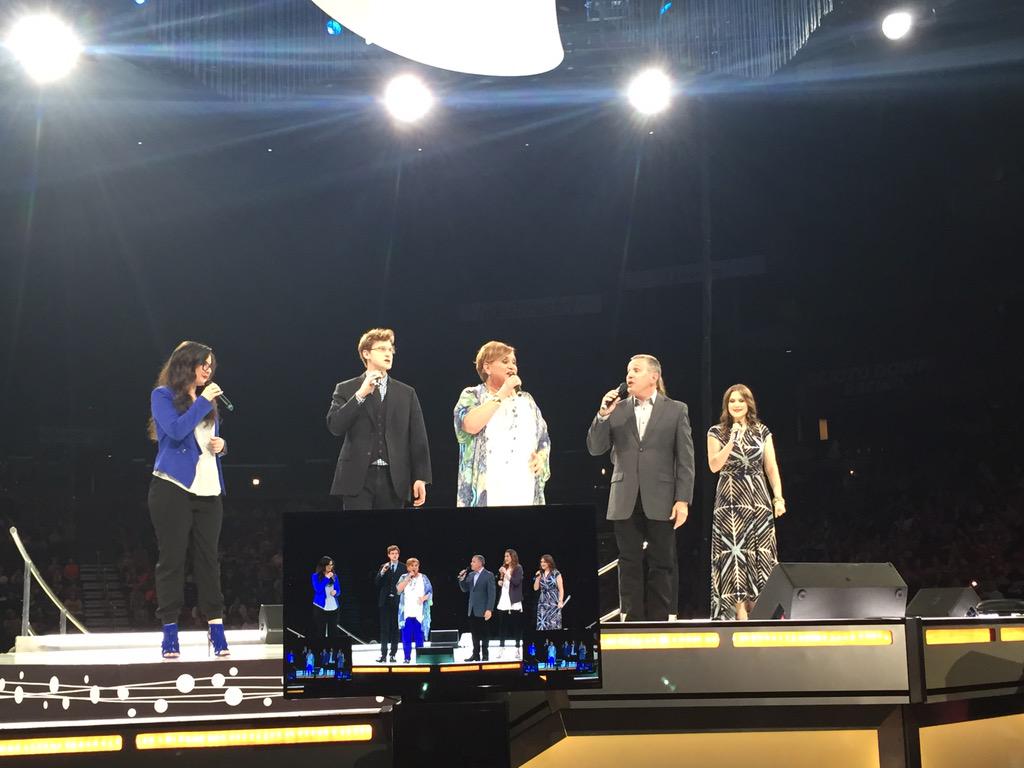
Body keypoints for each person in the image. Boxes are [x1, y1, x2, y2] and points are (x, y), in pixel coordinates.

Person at [586, 354, 695, 622]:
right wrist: (602, 415)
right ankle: (631, 620)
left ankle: (660, 621)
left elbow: (685, 459)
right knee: (628, 561)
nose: (629, 376)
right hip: (625, 495)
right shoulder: (618, 409)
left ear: (654, 376)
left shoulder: (676, 410)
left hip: (662, 495)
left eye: (636, 370)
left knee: (662, 561)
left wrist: (682, 500)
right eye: (628, 371)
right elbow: (595, 448)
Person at [147, 341, 230, 658]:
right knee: (172, 559)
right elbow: (176, 430)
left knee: (209, 560)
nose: (208, 370)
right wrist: (202, 402)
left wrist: (222, 446)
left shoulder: (207, 401)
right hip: (173, 487)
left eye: (211, 366)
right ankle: (170, 630)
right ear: (186, 364)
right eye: (203, 364)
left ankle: (216, 628)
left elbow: (207, 439)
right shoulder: (163, 396)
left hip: (209, 489)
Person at [327, 328, 432, 509]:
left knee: (391, 529)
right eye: (382, 349)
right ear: (366, 354)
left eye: (390, 349)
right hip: (357, 477)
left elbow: (418, 438)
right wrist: (361, 394)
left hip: (394, 478)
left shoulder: (406, 393)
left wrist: (421, 477)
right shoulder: (346, 388)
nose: (388, 354)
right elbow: (335, 426)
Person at [707, 384, 786, 620]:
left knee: (761, 551)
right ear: (726, 405)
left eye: (741, 400)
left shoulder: (762, 431)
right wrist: (732, 440)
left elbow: (771, 467)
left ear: (749, 404)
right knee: (735, 553)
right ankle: (739, 613)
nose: (736, 404)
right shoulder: (716, 432)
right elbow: (714, 466)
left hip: (757, 497)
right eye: (732, 401)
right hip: (730, 499)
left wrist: (778, 497)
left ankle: (763, 610)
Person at [454, 341, 550, 506]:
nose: (512, 366)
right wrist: (503, 391)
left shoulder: (527, 401)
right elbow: (470, 425)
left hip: (524, 491)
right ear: (487, 367)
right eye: (505, 361)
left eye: (514, 362)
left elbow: (543, 440)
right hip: (489, 494)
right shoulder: (473, 395)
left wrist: (540, 459)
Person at [458, 554, 496, 661]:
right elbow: (465, 589)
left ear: (480, 563)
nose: (471, 563)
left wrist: (489, 609)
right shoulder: (471, 575)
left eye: (473, 561)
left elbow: (492, 594)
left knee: (484, 634)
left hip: (483, 609)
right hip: (472, 609)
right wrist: (461, 579)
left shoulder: (488, 575)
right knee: (474, 634)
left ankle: (485, 655)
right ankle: (475, 654)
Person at [396, 558, 433, 663]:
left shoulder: (423, 577)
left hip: (419, 613)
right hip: (406, 613)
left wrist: (423, 598)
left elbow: (430, 592)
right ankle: (407, 658)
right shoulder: (403, 577)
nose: (414, 568)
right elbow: (398, 590)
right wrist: (408, 578)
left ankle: (420, 658)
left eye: (416, 565)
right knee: (406, 638)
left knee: (419, 637)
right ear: (408, 567)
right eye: (412, 566)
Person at [374, 544, 403, 662]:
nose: (394, 555)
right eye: (392, 554)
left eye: (396, 553)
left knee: (395, 628)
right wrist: (382, 572)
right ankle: (383, 654)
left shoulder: (403, 567)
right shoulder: (384, 566)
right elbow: (377, 582)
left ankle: (393, 654)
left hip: (397, 601)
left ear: (398, 555)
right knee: (384, 629)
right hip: (385, 601)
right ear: (388, 555)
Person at [496, 548, 524, 659]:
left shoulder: (518, 568)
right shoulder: (505, 568)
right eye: (505, 556)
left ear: (513, 557)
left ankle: (517, 649)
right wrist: (500, 581)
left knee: (516, 626)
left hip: (514, 601)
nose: (506, 558)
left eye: (508, 556)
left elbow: (516, 582)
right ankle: (501, 648)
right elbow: (503, 581)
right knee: (502, 626)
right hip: (504, 600)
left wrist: (505, 573)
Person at [311, 556, 339, 639]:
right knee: (320, 631)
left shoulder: (334, 576)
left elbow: (338, 589)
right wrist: (326, 578)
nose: (331, 567)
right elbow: (318, 589)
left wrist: (336, 592)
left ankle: (332, 646)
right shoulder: (315, 576)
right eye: (328, 565)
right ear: (323, 565)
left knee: (333, 632)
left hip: (333, 607)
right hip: (320, 607)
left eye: (332, 565)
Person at [533, 554, 564, 630]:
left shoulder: (556, 573)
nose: (542, 564)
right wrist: (537, 578)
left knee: (553, 623)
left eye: (544, 562)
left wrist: (560, 601)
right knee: (543, 623)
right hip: (543, 602)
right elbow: (536, 588)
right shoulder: (541, 573)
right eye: (541, 562)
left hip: (553, 601)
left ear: (549, 562)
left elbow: (561, 589)